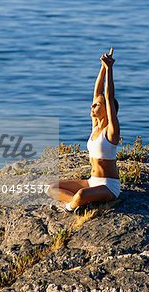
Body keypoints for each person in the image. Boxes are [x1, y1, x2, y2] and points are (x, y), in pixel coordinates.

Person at [48, 48, 120, 212]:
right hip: (92, 181)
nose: (92, 106)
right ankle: (80, 203)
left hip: (108, 186)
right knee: (51, 188)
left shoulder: (111, 132)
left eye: (97, 105)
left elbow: (108, 96)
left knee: (80, 195)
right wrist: (102, 67)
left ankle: (70, 207)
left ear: (108, 110)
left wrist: (110, 70)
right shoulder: (95, 126)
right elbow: (97, 92)